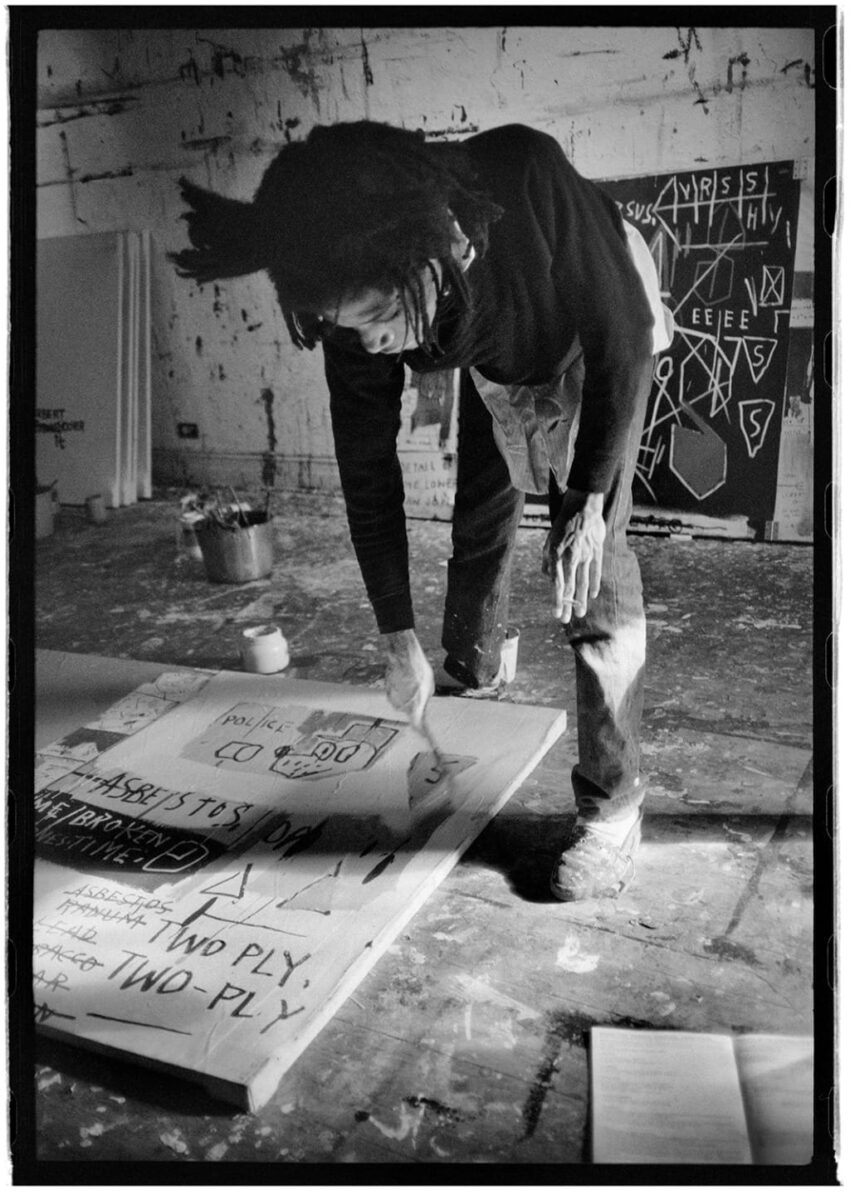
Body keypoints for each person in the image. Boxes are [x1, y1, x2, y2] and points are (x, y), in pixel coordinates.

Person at [171, 120, 673, 902]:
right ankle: (472, 667)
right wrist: (394, 636)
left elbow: (625, 341)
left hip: (597, 328)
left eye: (377, 322)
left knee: (592, 573)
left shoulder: (526, 175)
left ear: (431, 262)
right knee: (481, 512)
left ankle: (611, 808)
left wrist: (587, 504)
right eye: (350, 329)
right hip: (495, 351)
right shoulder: (353, 294)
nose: (368, 346)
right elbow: (368, 470)